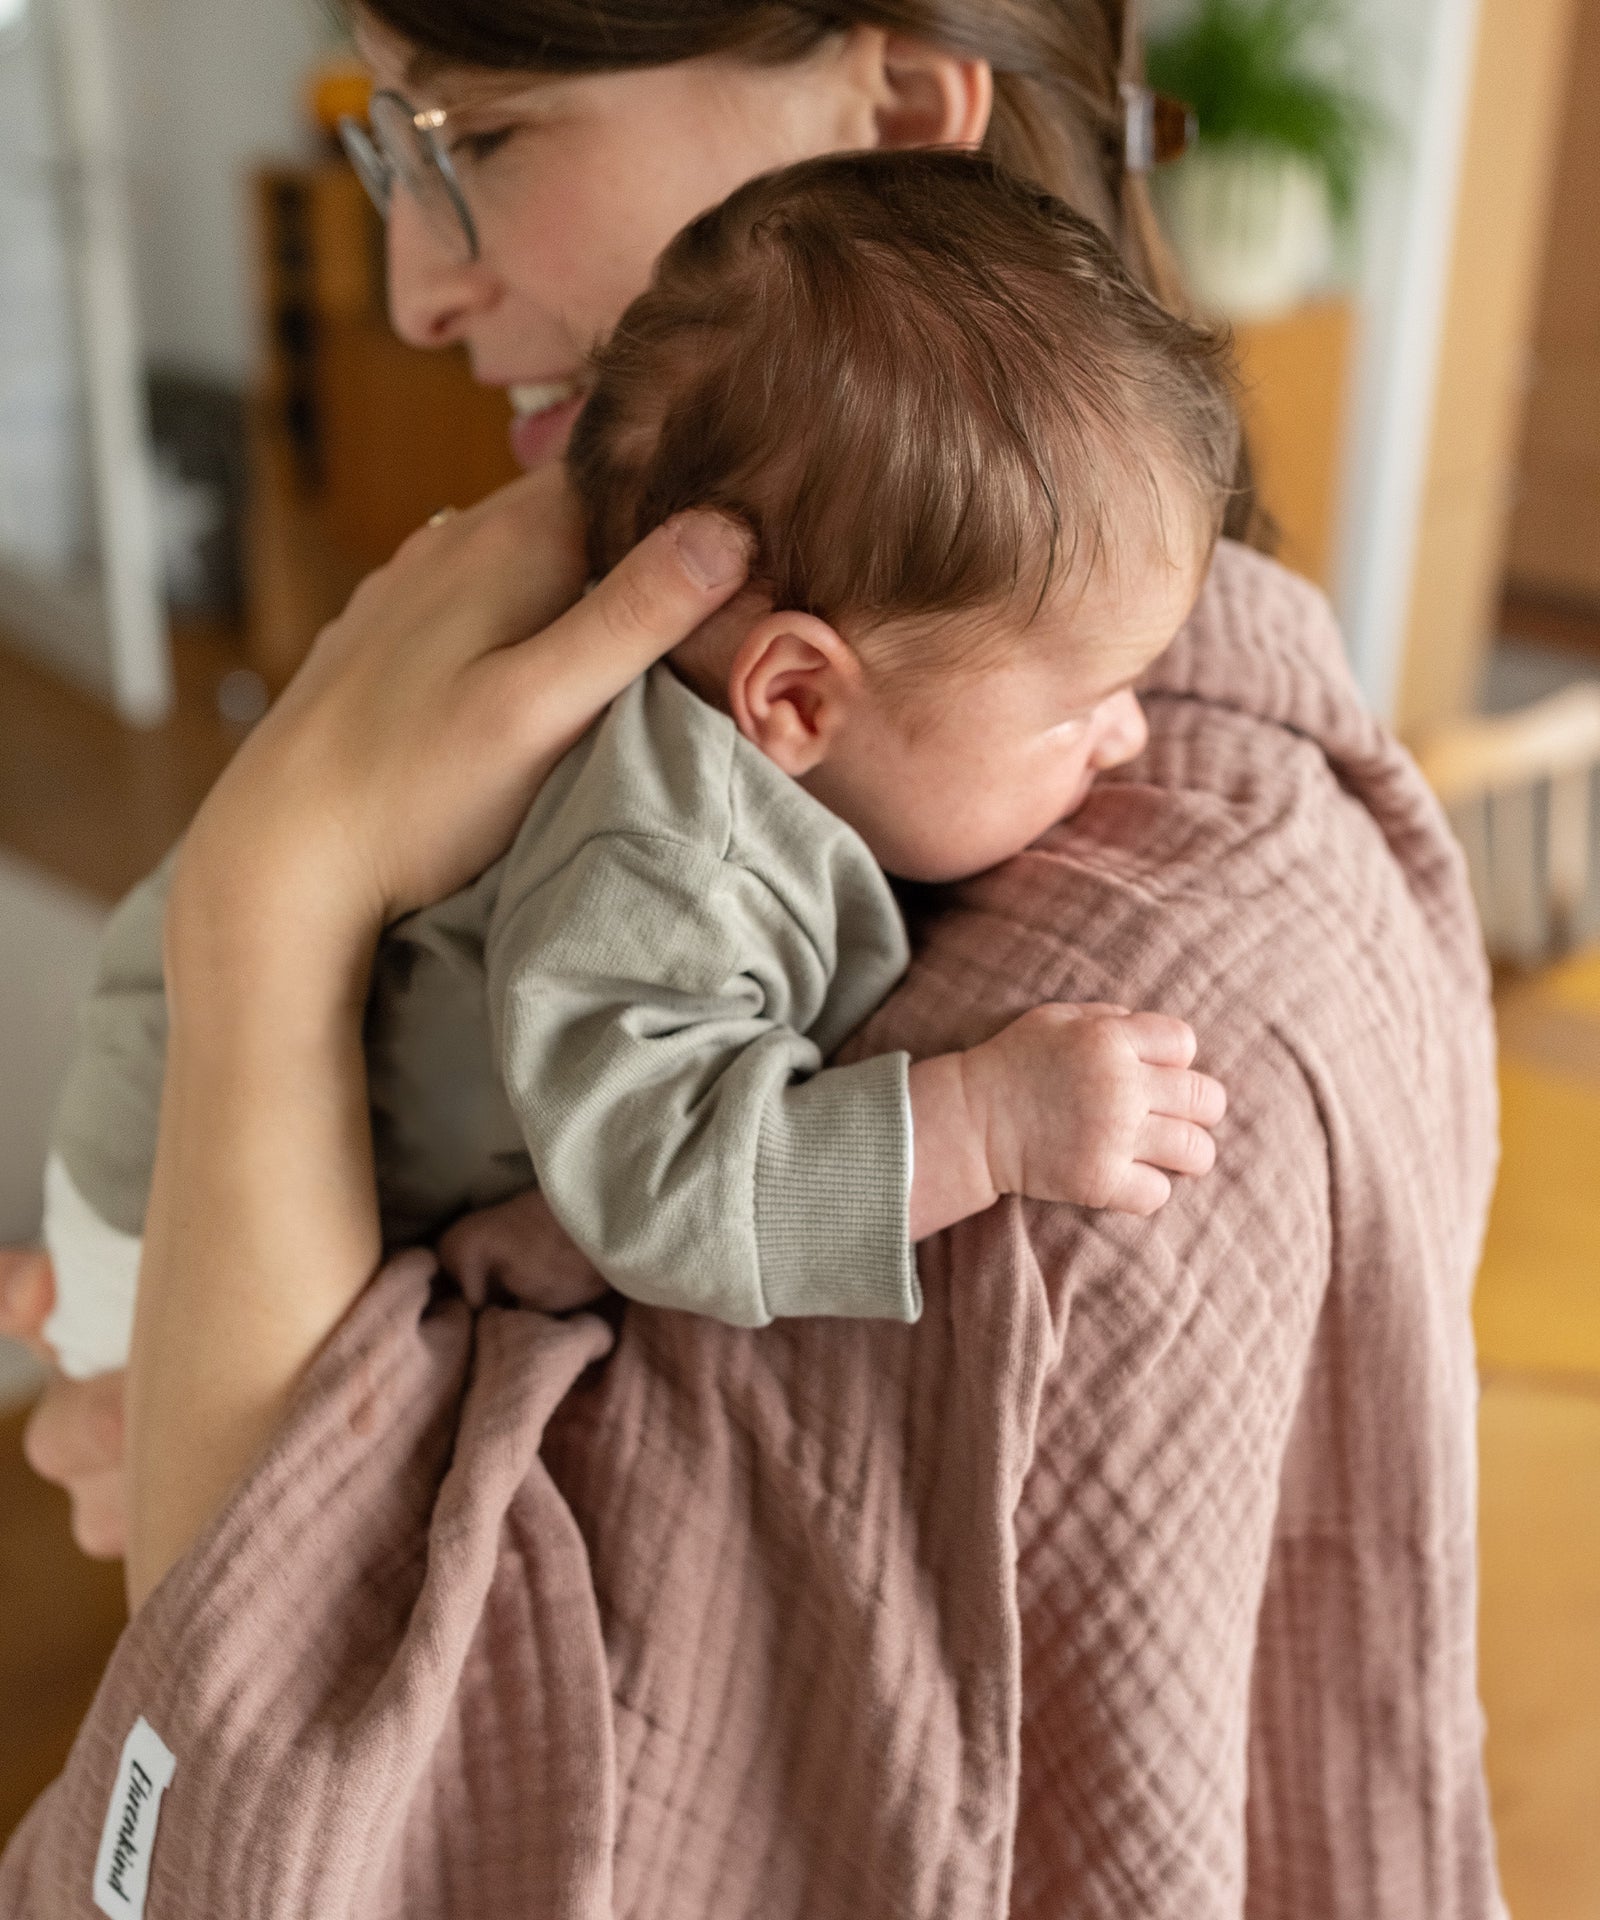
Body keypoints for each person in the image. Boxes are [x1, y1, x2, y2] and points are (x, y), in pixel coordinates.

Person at [0, 5, 1502, 1913]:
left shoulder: (1133, 1022)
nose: (413, 288)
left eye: (489, 133)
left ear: (894, 114)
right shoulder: (693, 741)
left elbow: (279, 1786)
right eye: (393, 145)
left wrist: (270, 904)